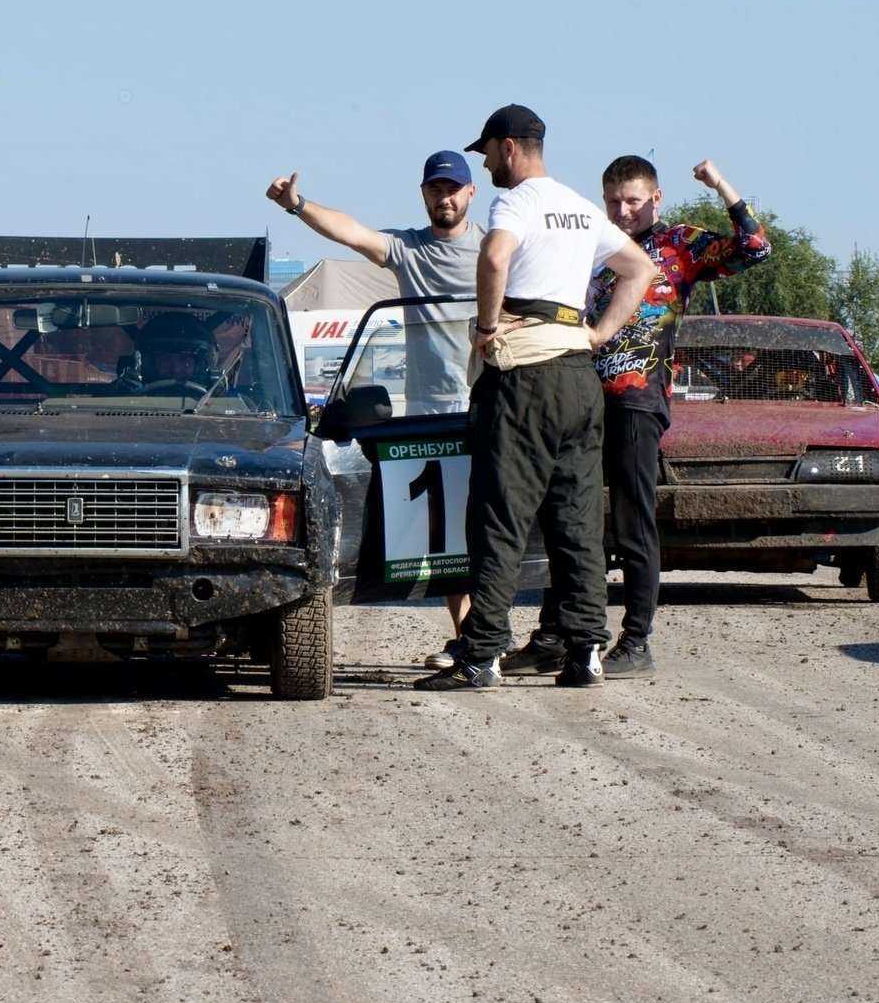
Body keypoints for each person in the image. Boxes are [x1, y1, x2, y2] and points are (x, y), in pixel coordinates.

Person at [415, 105, 656, 692]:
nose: (487, 162)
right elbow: (639, 269)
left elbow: (494, 256)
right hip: (578, 375)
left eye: (488, 152)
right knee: (576, 521)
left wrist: (487, 327)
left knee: (499, 515)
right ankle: (585, 653)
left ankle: (481, 655)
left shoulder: (516, 201)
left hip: (523, 377)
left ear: (509, 148)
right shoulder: (577, 205)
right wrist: (597, 335)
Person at [505, 155, 771, 680]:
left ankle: (636, 639)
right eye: (614, 201)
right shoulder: (592, 241)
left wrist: (721, 185)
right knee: (569, 520)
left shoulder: (679, 245)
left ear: (656, 198)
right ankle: (555, 636)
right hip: (577, 393)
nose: (623, 211)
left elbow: (755, 248)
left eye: (634, 201)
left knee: (632, 523)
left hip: (637, 401)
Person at [266, 150, 482, 668]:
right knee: (449, 527)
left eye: (453, 188)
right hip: (433, 408)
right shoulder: (410, 250)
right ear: (424, 193)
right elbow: (351, 232)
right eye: (435, 189)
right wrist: (297, 206)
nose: (444, 197)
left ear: (472, 193)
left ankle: (511, 633)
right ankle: (469, 636)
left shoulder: (496, 248)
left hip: (489, 403)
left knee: (496, 521)